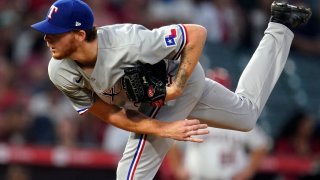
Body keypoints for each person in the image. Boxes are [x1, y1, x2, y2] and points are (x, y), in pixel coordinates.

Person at [30, 0, 311, 179]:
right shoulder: (59, 70)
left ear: (79, 35)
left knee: (131, 174)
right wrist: (165, 129)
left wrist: (176, 87)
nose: (46, 37)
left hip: (176, 82)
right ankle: (281, 24)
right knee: (247, 116)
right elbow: (110, 115)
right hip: (151, 100)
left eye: (55, 32)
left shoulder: (130, 43)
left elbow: (196, 33)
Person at [167, 126, 272, 180]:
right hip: (198, 177)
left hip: (229, 177)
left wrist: (248, 171)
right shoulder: (195, 117)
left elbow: (262, 145)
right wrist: (178, 169)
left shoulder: (239, 120)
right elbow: (172, 143)